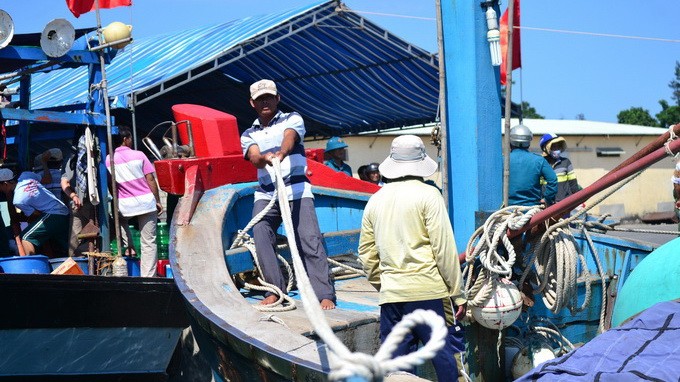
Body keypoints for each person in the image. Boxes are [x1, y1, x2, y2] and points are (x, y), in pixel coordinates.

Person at [358, 135, 467, 381]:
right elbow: (444, 250)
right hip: (429, 294)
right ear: (421, 163)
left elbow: (366, 254)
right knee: (446, 361)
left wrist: (384, 284)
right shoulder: (429, 196)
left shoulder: (375, 200)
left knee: (398, 369)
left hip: (392, 297)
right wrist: (458, 293)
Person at [240, 79, 336, 310]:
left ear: (277, 99)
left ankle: (324, 294)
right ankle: (276, 290)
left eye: (269, 97)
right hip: (266, 194)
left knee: (310, 240)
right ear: (252, 103)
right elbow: (253, 157)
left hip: (297, 190)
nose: (265, 101)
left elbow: (290, 138)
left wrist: (281, 153)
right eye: (260, 98)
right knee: (261, 234)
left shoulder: (292, 118)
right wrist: (265, 159)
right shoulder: (248, 133)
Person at [106, 126, 163, 277]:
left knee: (120, 222)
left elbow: (110, 184)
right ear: (125, 139)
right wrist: (157, 200)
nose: (131, 141)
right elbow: (150, 179)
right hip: (146, 203)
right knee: (149, 242)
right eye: (130, 138)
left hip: (125, 205)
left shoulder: (108, 159)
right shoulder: (139, 155)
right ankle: (148, 277)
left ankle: (128, 244)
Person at [0, 168, 70, 256]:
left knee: (26, 237)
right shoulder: (26, 175)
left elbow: (35, 214)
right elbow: (47, 179)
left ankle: (31, 265)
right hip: (63, 210)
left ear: (5, 184)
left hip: (54, 214)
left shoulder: (18, 200)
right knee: (63, 246)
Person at [508, 124, 557, 207]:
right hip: (532, 210)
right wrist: (547, 199)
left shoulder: (503, 160)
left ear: (510, 142)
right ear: (529, 142)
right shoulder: (539, 160)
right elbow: (552, 179)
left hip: (507, 209)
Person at [539, 133, 581, 203]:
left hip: (564, 203)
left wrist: (577, 200)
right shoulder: (540, 164)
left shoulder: (566, 162)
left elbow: (573, 183)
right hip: (547, 204)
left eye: (558, 147)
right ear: (545, 148)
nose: (557, 150)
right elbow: (537, 186)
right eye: (553, 147)